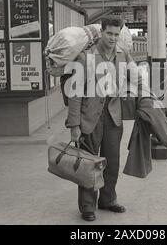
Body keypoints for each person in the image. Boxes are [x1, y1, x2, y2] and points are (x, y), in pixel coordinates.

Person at [65, 16, 134, 221]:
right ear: (101, 32)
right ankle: (87, 206)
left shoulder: (123, 55)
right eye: (109, 33)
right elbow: (75, 93)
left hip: (114, 117)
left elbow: (135, 77)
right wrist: (74, 125)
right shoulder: (86, 57)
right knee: (89, 163)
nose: (113, 38)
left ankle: (108, 199)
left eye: (116, 34)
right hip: (90, 118)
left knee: (111, 162)